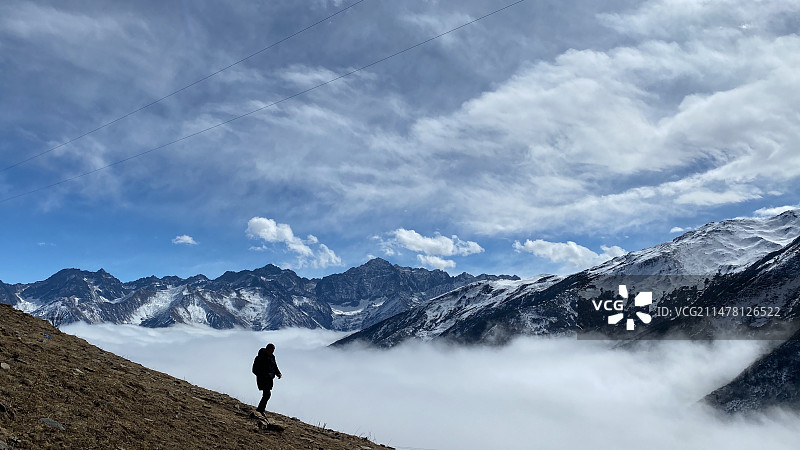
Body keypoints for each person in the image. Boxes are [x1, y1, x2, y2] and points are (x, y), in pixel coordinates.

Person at [252, 343, 282, 420]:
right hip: (263, 379)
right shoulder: (260, 358)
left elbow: (274, 366)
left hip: (269, 379)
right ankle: (260, 410)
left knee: (267, 395)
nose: (272, 352)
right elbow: (254, 370)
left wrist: (278, 373)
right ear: (267, 350)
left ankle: (261, 409)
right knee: (267, 394)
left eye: (273, 351)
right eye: (271, 351)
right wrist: (263, 375)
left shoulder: (272, 357)